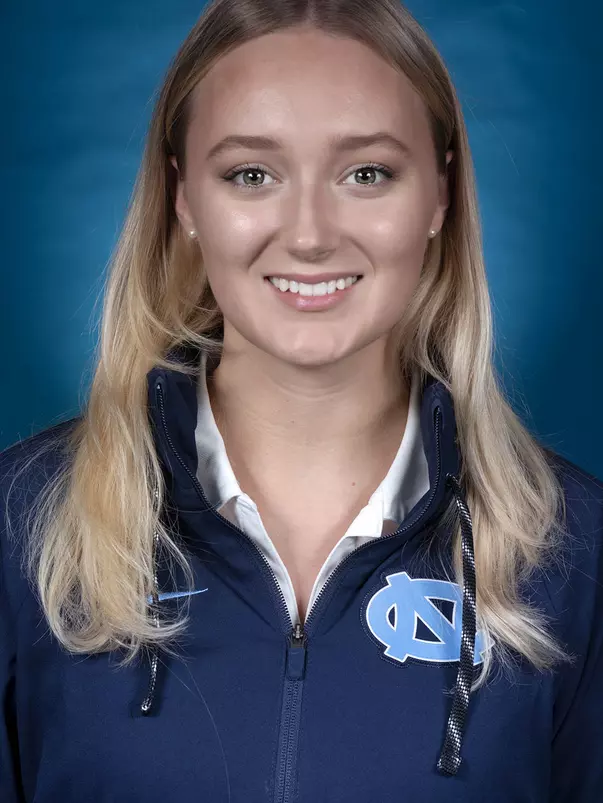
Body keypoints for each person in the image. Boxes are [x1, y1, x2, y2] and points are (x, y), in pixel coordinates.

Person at [1, 0, 602, 800]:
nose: (310, 233)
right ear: (183, 198)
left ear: (438, 197)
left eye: (366, 173)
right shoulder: (21, 523)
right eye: (251, 173)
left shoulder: (575, 553)